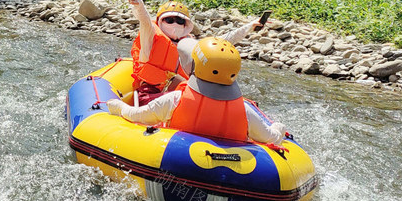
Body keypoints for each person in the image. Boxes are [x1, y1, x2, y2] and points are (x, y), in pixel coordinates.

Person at [107, 36, 289, 145]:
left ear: (196, 67)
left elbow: (138, 116)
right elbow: (270, 137)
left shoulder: (175, 99)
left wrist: (119, 106)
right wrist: (279, 128)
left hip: (175, 159)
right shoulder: (244, 110)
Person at [126, 0, 263, 107]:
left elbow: (221, 42)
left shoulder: (189, 44)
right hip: (150, 94)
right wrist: (139, 6)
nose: (174, 24)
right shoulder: (150, 37)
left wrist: (250, 27)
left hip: (178, 94)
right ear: (160, 21)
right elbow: (145, 22)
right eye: (169, 20)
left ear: (185, 25)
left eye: (180, 21)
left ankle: (243, 106)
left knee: (197, 93)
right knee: (181, 90)